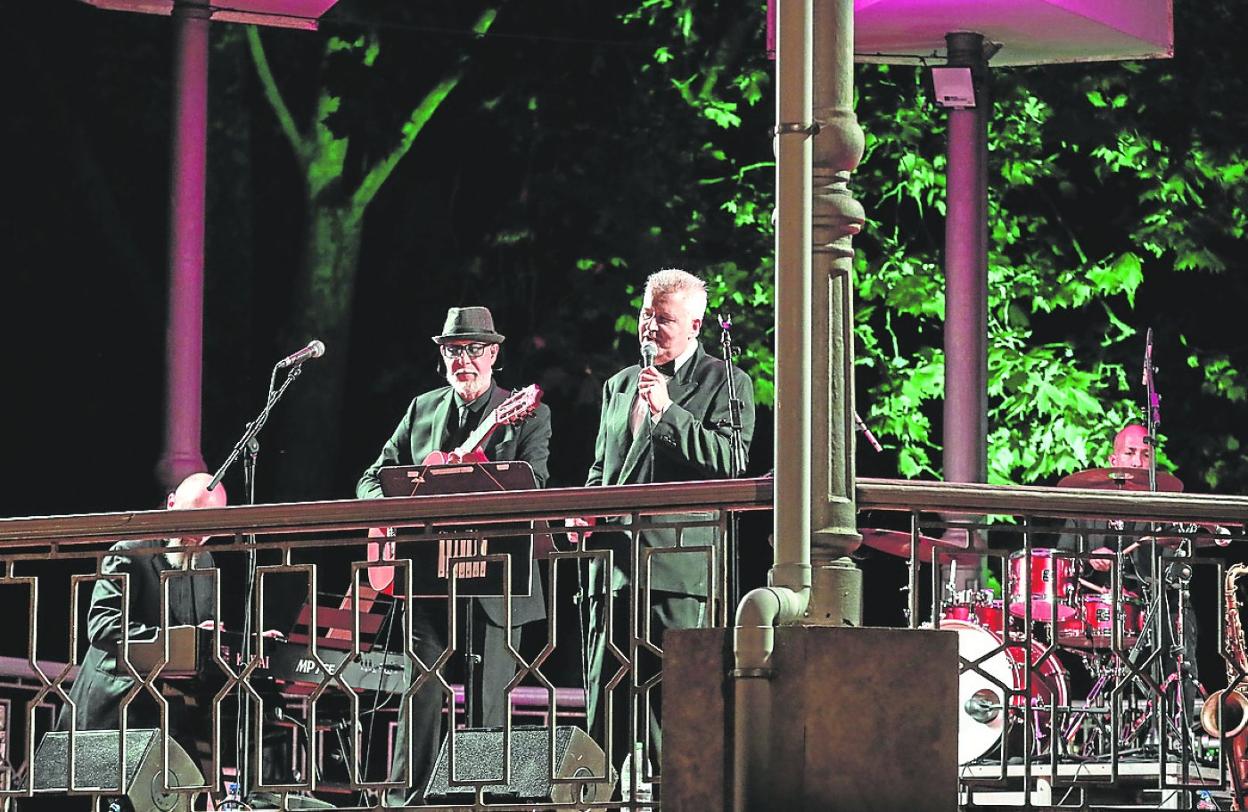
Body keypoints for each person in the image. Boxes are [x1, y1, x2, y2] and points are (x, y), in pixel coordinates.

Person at [356, 305, 551, 804]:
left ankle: (478, 797)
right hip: (427, 576)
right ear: (442, 356)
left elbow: (537, 486)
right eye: (453, 350)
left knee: (490, 699)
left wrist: (477, 468)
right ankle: (407, 798)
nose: (464, 359)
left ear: (494, 355)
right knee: (420, 689)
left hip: (497, 575)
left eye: (474, 350)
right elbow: (370, 479)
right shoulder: (421, 409)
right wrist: (394, 509)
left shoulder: (525, 412)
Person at [570, 268, 755, 766]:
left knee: (670, 708)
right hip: (611, 568)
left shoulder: (726, 380)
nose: (650, 328)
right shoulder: (618, 384)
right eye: (646, 315)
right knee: (602, 706)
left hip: (676, 568)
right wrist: (584, 512)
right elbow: (601, 467)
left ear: (696, 325)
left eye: (664, 319)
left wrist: (669, 411)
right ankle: (598, 799)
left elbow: (731, 463)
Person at [56, 472, 228, 774]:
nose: (199, 535)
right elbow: (103, 626)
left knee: (189, 794)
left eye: (211, 526)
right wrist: (181, 639)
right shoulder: (129, 551)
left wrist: (236, 640)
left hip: (166, 706)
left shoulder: (205, 561)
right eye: (194, 520)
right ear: (171, 504)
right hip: (115, 708)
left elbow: (197, 633)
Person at [1056, 423, 1201, 729]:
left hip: (1152, 603)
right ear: (1114, 460)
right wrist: (1089, 558)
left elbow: (1177, 560)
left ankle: (1175, 735)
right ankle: (1056, 729)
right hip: (1098, 608)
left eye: (1146, 455)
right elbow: (1064, 556)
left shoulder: (1164, 505)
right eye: (1131, 453)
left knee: (1180, 624)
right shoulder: (1087, 504)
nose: (1138, 462)